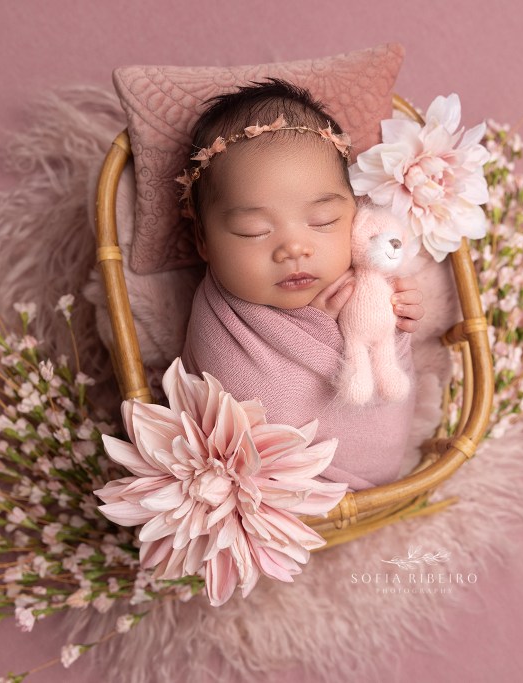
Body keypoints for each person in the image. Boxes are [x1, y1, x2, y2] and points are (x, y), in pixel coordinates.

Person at [179, 79, 423, 490]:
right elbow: (236, 401)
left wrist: (399, 315)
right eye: (252, 230)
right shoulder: (223, 317)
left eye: (323, 222)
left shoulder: (364, 272)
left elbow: (386, 354)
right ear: (203, 241)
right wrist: (316, 321)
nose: (294, 248)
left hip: (382, 471)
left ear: (355, 214)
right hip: (268, 491)